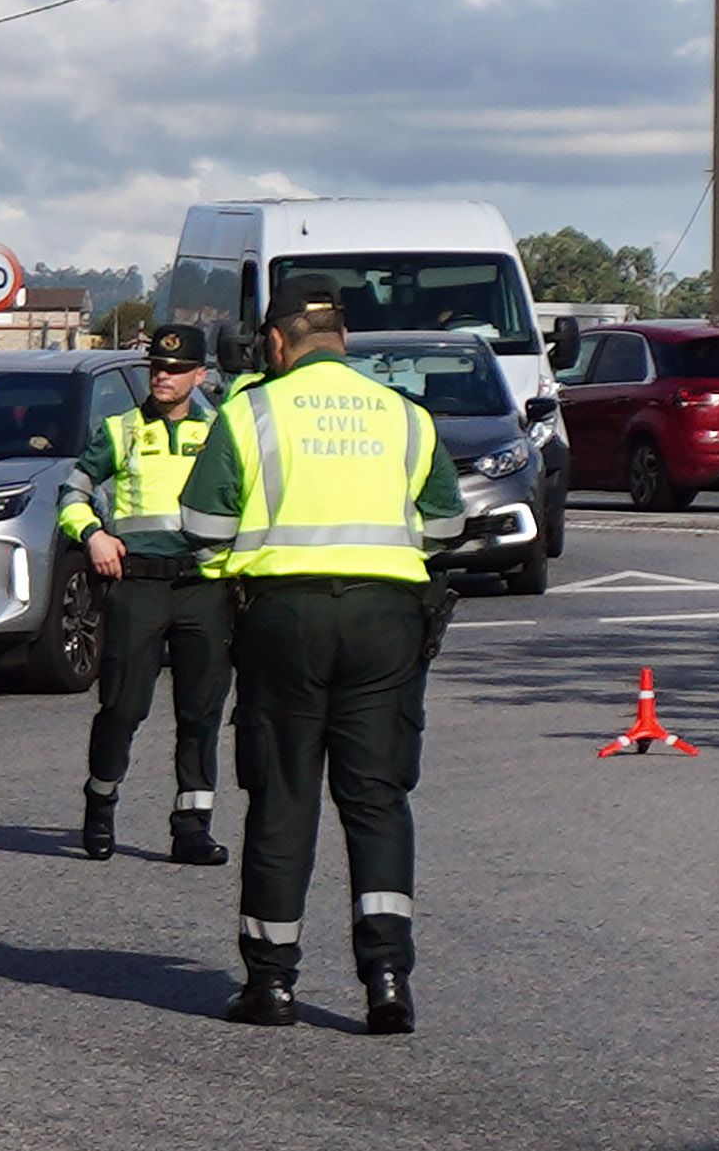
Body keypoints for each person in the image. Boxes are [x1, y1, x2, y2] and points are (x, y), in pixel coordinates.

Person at [178, 273, 464, 1035]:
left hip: (283, 617)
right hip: (386, 619)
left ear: (275, 342)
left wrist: (239, 561)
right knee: (375, 798)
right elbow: (443, 529)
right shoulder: (405, 416)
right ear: (344, 338)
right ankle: (387, 979)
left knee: (282, 794)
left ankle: (270, 983)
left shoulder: (250, 412)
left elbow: (202, 527)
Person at [58, 323, 231, 866]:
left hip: (204, 585)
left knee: (201, 712)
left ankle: (192, 825)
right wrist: (93, 535)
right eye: (157, 367)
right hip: (137, 585)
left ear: (200, 376)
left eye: (177, 370)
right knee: (123, 706)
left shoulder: (224, 432)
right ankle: (101, 801)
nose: (164, 376)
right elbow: (73, 493)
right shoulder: (122, 429)